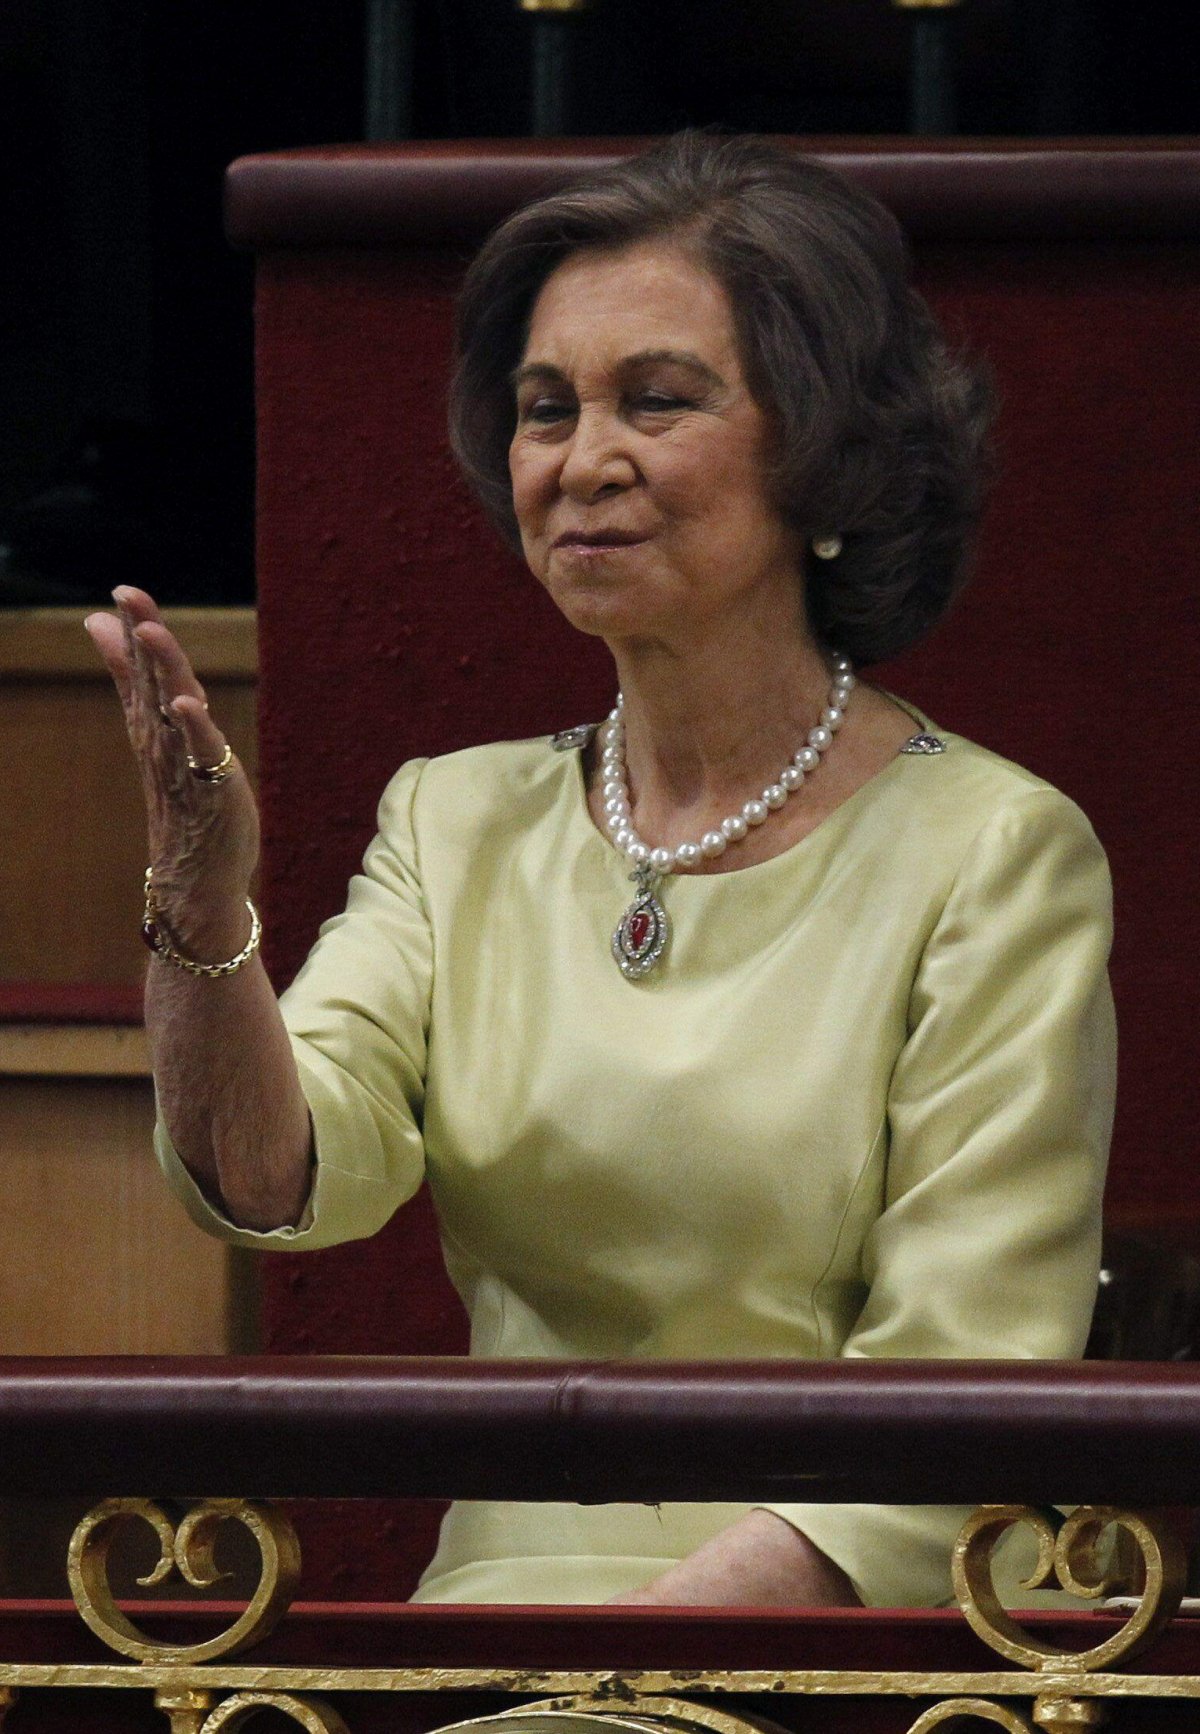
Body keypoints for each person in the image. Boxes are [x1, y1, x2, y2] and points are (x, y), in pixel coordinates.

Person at [85, 133, 1115, 1609]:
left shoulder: (998, 854)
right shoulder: (455, 821)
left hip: (855, 1638)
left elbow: (963, 1382)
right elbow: (277, 1174)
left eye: (659, 399)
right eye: (546, 410)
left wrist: (626, 1661)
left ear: (829, 451)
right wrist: (199, 909)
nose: (583, 461)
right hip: (500, 1622)